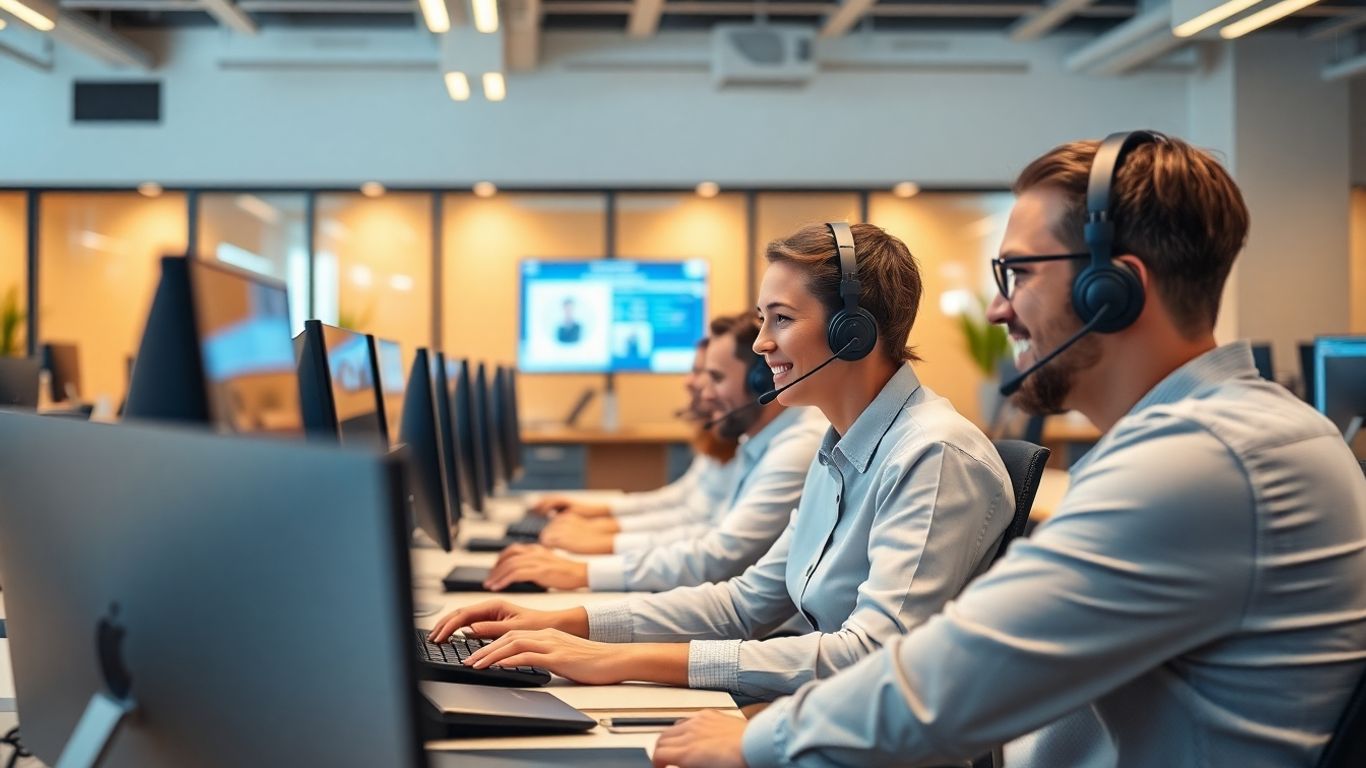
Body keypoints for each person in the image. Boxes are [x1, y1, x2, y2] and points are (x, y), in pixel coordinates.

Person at [651, 131, 1366, 768]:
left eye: (1019, 274)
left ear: (1114, 290)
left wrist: (755, 741)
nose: (998, 309)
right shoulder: (1220, 436)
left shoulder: (1200, 459)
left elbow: (949, 682)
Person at [428, 222, 1014, 702]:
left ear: (852, 332)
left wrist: (620, 660)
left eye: (781, 319)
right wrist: (566, 622)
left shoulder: (931, 455)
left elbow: (872, 655)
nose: (761, 343)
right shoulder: (839, 446)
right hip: (820, 711)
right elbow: (745, 602)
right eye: (763, 319)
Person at [480, 314, 828, 592]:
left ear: (761, 381)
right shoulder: (755, 441)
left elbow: (717, 555)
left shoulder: (793, 447)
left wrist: (588, 565)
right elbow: (697, 519)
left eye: (714, 377)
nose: (702, 390)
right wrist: (602, 533)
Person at [528, 330, 739, 555]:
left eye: (705, 373)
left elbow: (698, 527)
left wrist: (603, 536)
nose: (688, 381)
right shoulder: (719, 442)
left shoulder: (742, 448)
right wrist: (599, 516)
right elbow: (679, 501)